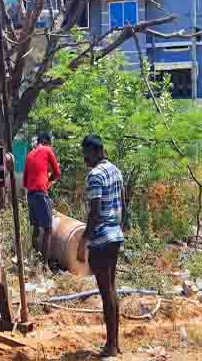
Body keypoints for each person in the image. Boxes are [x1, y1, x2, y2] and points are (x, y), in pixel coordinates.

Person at [77, 134, 125, 359]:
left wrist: (83, 239)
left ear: (95, 151)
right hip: (115, 236)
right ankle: (115, 342)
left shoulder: (95, 175)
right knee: (112, 290)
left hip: (102, 240)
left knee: (106, 293)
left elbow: (94, 212)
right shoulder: (115, 170)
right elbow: (122, 202)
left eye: (86, 154)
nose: (85, 159)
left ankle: (111, 346)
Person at [23, 132, 60, 269]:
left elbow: (26, 182)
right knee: (48, 229)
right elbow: (57, 173)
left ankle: (33, 258)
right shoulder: (47, 150)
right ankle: (45, 265)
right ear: (45, 141)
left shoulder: (29, 155)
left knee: (36, 228)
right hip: (40, 193)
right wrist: (48, 181)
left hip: (31, 194)